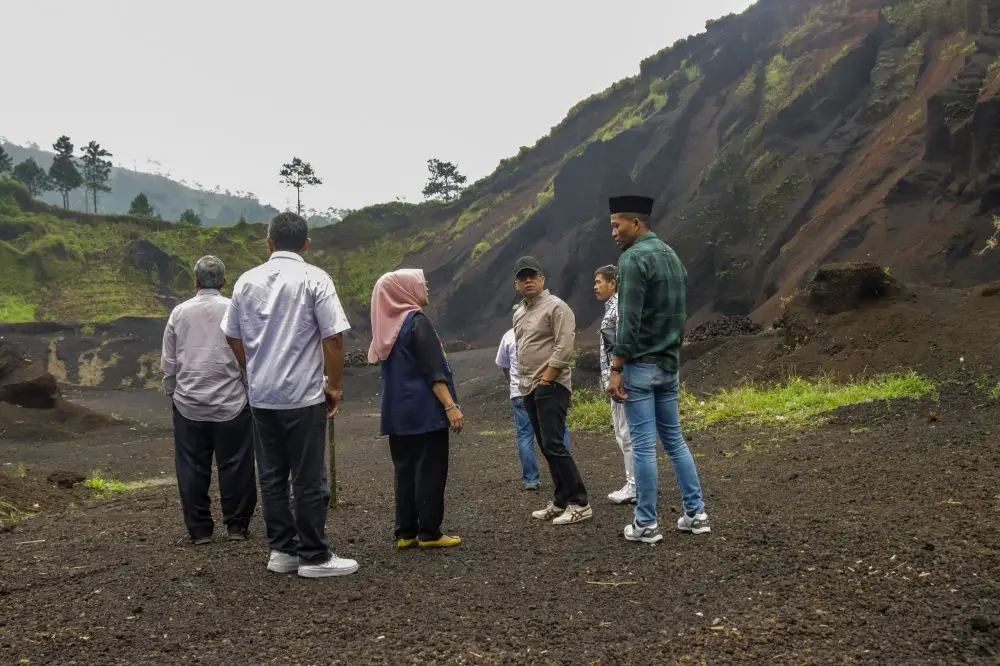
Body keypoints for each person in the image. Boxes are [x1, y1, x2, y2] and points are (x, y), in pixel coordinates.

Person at [221, 212, 359, 578]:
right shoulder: (315, 278)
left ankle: (282, 550)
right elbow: (333, 338)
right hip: (302, 395)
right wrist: (334, 385)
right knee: (308, 476)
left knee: (272, 475)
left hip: (262, 396)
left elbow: (231, 334)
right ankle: (313, 555)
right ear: (306, 244)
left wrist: (252, 368)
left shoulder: (246, 281)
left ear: (269, 243)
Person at [605, 195, 711, 544]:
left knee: (643, 446)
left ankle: (646, 523)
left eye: (617, 225)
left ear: (636, 223)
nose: (613, 232)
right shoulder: (671, 255)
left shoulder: (632, 259)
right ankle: (696, 515)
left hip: (641, 367)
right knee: (675, 440)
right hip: (669, 364)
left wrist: (616, 367)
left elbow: (629, 320)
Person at [160, 255, 257, 545]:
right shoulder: (234, 309)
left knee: (191, 467)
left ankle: (200, 530)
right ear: (224, 281)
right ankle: (237, 526)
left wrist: (172, 393)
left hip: (189, 402)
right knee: (236, 464)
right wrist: (248, 389)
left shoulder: (179, 313)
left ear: (196, 281)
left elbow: (169, 361)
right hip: (232, 402)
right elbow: (247, 354)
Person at [368, 268, 463, 549]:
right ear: (405, 290)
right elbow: (433, 371)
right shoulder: (417, 322)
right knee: (430, 469)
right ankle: (430, 533)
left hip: (397, 414)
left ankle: (406, 532)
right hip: (425, 412)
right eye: (421, 283)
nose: (427, 288)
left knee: (405, 471)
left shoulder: (386, 328)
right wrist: (451, 406)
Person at [511, 256, 592, 525]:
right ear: (516, 284)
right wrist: (525, 384)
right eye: (522, 278)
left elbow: (564, 345)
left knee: (555, 444)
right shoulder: (519, 313)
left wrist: (547, 378)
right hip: (528, 387)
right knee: (546, 446)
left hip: (551, 385)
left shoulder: (557, 307)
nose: (528, 281)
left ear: (542, 279)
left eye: (532, 276)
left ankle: (580, 502)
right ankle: (560, 500)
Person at [495, 327, 572, 491]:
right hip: (545, 388)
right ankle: (564, 474)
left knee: (525, 435)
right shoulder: (543, 333)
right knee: (559, 430)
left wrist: (512, 382)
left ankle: (531, 479)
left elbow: (504, 365)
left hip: (519, 391)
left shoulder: (508, 336)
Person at [593, 264, 635, 505]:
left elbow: (622, 343)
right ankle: (635, 483)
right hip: (618, 377)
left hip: (621, 379)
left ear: (613, 283)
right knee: (623, 432)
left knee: (626, 433)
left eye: (599, 282)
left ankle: (634, 485)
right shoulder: (612, 308)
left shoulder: (617, 308)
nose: (595, 287)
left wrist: (616, 375)